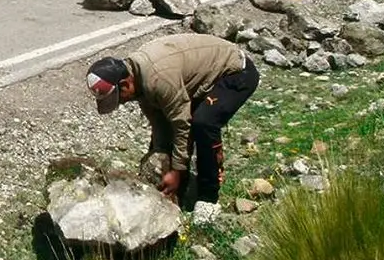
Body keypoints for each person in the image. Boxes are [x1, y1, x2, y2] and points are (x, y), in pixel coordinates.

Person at [85, 34, 260, 224]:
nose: (122, 102)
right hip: (199, 78)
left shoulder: (159, 79)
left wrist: (176, 171)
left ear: (126, 84)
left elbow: (181, 123)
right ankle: (179, 192)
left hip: (235, 72)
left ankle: (209, 198)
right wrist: (160, 154)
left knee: (203, 123)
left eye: (120, 97)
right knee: (170, 136)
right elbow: (159, 122)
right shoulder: (139, 81)